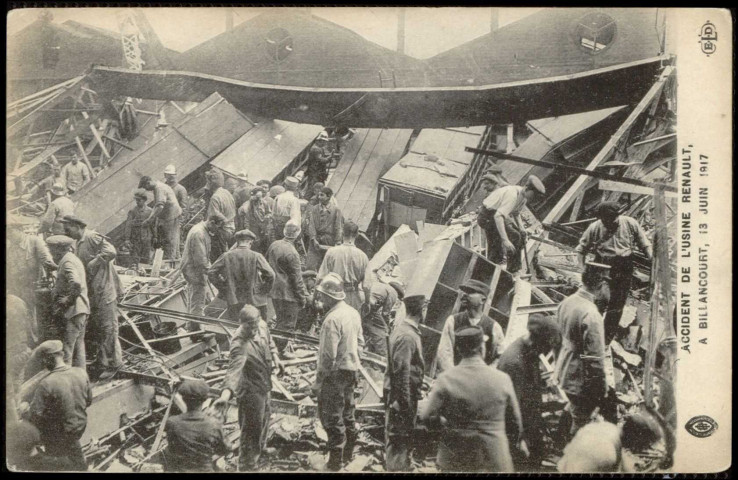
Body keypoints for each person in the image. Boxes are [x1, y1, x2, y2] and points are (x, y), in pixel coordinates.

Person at [420, 326, 524, 472]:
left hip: (455, 456)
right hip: (494, 457)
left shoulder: (446, 379)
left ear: (459, 350)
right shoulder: (502, 379)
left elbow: (427, 416)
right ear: (482, 347)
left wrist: (447, 427)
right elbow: (516, 421)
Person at [214, 305, 281, 471]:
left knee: (265, 419)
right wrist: (224, 396)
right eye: (249, 326)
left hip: (264, 384)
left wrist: (277, 357)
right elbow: (233, 372)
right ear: (241, 323)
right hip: (250, 392)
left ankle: (261, 449)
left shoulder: (262, 326)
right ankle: (246, 465)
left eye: (255, 325)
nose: (253, 330)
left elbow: (270, 342)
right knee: (251, 428)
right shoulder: (239, 344)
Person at [576, 201, 653, 344]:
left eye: (613, 220)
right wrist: (582, 270)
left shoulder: (630, 223)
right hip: (602, 264)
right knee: (599, 302)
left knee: (617, 305)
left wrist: (652, 260)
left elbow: (645, 244)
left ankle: (605, 340)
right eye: (606, 221)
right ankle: (590, 335)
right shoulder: (595, 227)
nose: (610, 223)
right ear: (602, 219)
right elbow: (581, 250)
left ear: (618, 215)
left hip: (624, 266)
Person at [312, 273, 365, 470]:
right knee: (348, 413)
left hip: (334, 375)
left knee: (331, 417)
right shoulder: (353, 312)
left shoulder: (331, 320)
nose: (320, 299)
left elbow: (327, 357)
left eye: (322, 296)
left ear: (329, 297)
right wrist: (356, 365)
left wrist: (318, 382)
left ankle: (334, 463)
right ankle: (349, 454)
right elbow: (360, 343)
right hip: (351, 371)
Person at [554, 263, 612, 438]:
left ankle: (559, 437)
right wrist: (602, 388)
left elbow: (559, 336)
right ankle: (570, 452)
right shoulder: (591, 314)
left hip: (564, 367)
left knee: (574, 407)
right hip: (580, 376)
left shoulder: (567, 302)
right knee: (581, 420)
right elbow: (595, 358)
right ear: (601, 285)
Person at [62, 215, 123, 379]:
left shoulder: (91, 237)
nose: (65, 231)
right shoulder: (77, 242)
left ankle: (115, 363)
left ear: (77, 226)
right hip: (94, 293)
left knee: (109, 328)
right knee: (99, 330)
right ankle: (102, 361)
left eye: (68, 227)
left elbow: (111, 251)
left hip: (105, 292)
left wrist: (96, 261)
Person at [497, 314, 562, 470]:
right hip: (517, 433)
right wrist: (520, 440)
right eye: (545, 348)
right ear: (537, 342)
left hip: (529, 424)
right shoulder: (514, 362)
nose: (545, 353)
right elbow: (512, 408)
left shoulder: (529, 350)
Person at [25, 340, 93, 471]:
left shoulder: (46, 383)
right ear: (61, 354)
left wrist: (25, 408)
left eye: (43, 361)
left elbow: (35, 415)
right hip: (78, 428)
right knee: (77, 460)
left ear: (47, 360)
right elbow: (88, 401)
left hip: (58, 435)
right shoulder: (81, 372)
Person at [383, 294, 426, 471]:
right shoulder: (408, 336)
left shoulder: (403, 331)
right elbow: (401, 372)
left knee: (400, 440)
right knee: (399, 440)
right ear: (422, 311)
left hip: (401, 395)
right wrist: (403, 402)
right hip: (401, 398)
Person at [477, 175, 546, 272]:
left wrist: (522, 228)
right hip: (486, 216)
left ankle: (513, 267)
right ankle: (508, 270)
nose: (533, 199)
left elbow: (516, 213)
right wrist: (505, 240)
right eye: (533, 195)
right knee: (506, 239)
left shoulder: (523, 196)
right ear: (527, 189)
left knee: (519, 234)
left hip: (496, 213)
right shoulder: (512, 194)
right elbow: (498, 217)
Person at [435, 279, 505, 373]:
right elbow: (444, 353)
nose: (464, 294)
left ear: (483, 300)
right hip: (456, 379)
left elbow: (500, 357)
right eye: (464, 291)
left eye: (470, 292)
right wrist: (454, 377)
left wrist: (486, 376)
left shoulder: (494, 327)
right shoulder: (453, 321)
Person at [164, 379, 231, 472]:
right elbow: (224, 450)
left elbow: (171, 450)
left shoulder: (172, 422)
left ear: (183, 399)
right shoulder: (213, 424)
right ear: (205, 399)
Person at [8, 215, 57, 343]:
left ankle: (35, 342)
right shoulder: (10, 247)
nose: (8, 235)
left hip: (33, 287)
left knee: (32, 315)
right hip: (16, 287)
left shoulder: (34, 242)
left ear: (19, 230)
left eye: (10, 232)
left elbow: (47, 261)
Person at [208, 229, 275, 322]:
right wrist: (263, 289)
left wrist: (223, 287)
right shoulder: (256, 256)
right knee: (258, 327)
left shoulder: (226, 255)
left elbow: (211, 272)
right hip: (255, 299)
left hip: (234, 299)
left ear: (237, 242)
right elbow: (271, 275)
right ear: (250, 242)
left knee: (235, 327)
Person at [46, 235, 90, 370]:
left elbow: (76, 283)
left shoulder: (67, 262)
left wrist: (67, 300)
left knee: (66, 349)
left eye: (51, 250)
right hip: (81, 310)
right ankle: (81, 377)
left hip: (73, 311)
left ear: (58, 249)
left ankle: (66, 379)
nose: (50, 253)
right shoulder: (71, 258)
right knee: (79, 347)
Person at [266, 221, 310, 351]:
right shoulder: (292, 253)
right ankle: (276, 352)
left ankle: (271, 350)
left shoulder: (274, 245)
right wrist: (303, 299)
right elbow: (297, 280)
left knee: (280, 322)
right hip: (288, 295)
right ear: (297, 235)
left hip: (274, 291)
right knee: (287, 327)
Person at [181, 213, 225, 322]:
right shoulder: (198, 233)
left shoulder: (202, 231)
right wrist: (215, 275)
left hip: (194, 270)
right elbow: (201, 260)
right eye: (217, 227)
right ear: (211, 222)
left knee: (193, 301)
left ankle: (190, 326)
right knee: (197, 304)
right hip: (195, 272)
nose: (217, 230)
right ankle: (195, 331)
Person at [318, 221, 369, 312]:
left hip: (333, 295)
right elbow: (366, 286)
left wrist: (315, 297)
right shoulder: (363, 256)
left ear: (342, 233)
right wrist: (367, 303)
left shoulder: (332, 252)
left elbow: (321, 278)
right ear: (357, 235)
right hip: (353, 296)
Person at [138, 175, 183, 260]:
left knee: (170, 240)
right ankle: (175, 259)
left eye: (145, 187)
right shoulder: (158, 186)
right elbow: (156, 206)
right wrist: (150, 218)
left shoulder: (159, 188)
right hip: (171, 215)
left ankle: (171, 262)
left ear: (149, 183)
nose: (146, 189)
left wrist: (149, 220)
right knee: (174, 240)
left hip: (171, 215)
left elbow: (160, 206)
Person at [363, 275, 405, 357]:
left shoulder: (381, 285)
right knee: (382, 331)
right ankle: (381, 354)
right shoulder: (393, 293)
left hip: (364, 302)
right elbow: (385, 313)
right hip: (370, 306)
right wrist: (387, 327)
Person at [306, 186, 344, 271]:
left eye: (322, 195)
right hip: (315, 240)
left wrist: (338, 241)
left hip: (329, 241)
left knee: (326, 265)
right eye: (319, 195)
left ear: (329, 196)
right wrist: (313, 238)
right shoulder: (314, 208)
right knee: (311, 264)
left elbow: (338, 227)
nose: (319, 197)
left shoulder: (336, 210)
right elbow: (311, 224)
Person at [206, 169, 237, 262]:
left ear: (211, 182)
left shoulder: (215, 197)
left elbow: (214, 216)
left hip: (221, 231)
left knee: (218, 259)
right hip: (231, 229)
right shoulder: (226, 193)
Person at [238, 186, 274, 255]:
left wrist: (267, 217)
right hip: (252, 228)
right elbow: (243, 216)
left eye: (260, 197)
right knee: (254, 245)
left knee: (263, 244)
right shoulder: (247, 205)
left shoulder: (264, 203)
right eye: (257, 197)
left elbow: (269, 213)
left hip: (263, 227)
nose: (259, 200)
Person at [124, 189, 154, 265]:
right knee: (134, 258)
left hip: (146, 238)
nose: (137, 202)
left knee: (145, 259)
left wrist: (155, 236)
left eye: (139, 200)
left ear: (144, 200)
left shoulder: (150, 211)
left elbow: (153, 225)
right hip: (135, 239)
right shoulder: (132, 211)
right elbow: (128, 225)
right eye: (136, 200)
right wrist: (127, 239)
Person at [272, 176, 302, 240]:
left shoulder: (278, 197)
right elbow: (295, 217)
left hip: (277, 226)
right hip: (288, 227)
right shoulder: (294, 200)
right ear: (295, 188)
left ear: (285, 186)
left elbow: (273, 213)